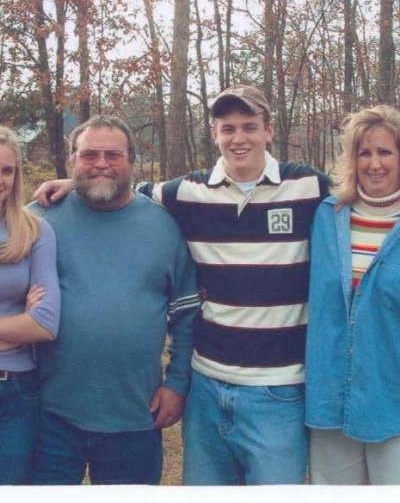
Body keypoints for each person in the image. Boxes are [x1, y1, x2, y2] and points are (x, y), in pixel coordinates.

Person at [33, 85, 330, 485]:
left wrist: (174, 384)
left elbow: (367, 196)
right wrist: (73, 184)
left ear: (269, 130)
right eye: (228, 128)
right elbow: (116, 189)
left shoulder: (309, 187)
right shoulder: (185, 194)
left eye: (249, 127)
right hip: (191, 390)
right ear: (214, 134)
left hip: (272, 392)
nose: (238, 138)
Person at [29, 115, 200, 486]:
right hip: (49, 414)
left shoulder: (164, 226)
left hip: (135, 416)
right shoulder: (40, 219)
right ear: (73, 159)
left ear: (131, 161)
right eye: (89, 155)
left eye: (113, 155)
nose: (101, 164)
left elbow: (187, 316)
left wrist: (177, 384)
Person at [305, 104, 400, 485]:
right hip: (330, 398)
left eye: (385, 152)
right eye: (365, 152)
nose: (374, 164)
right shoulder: (328, 216)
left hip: (390, 399)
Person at [0, 125, 60, 485]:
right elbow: (28, 323)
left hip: (17, 391)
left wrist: (30, 324)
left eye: (7, 170)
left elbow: (45, 324)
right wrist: (17, 325)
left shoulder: (35, 231)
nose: (0, 180)